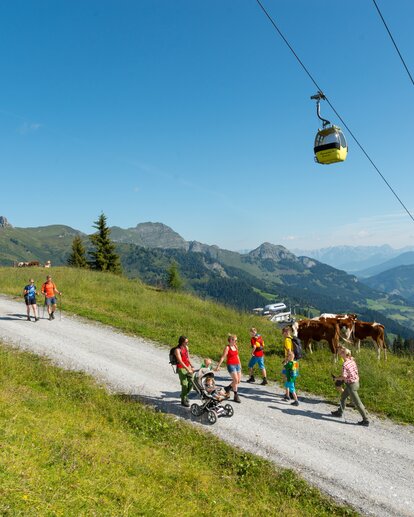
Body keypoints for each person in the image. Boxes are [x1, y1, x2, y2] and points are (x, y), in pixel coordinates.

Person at [331, 347, 369, 427]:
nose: (340, 353)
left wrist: (336, 378)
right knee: (343, 397)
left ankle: (366, 420)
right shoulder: (352, 360)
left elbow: (344, 377)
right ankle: (339, 412)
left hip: (351, 386)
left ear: (344, 354)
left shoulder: (345, 365)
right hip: (355, 383)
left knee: (358, 403)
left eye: (341, 352)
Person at [215, 334, 242, 403]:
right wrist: (218, 366)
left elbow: (237, 356)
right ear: (230, 340)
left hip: (237, 365)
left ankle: (228, 388)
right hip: (231, 365)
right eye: (235, 340)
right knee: (235, 380)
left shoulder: (235, 346)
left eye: (236, 340)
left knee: (238, 381)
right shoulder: (227, 348)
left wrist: (240, 364)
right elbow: (223, 357)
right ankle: (236, 395)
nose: (236, 342)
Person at [174, 335, 194, 407]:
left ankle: (183, 395)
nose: (187, 343)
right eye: (186, 342)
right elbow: (180, 361)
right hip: (181, 368)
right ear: (182, 342)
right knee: (185, 385)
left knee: (191, 383)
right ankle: (183, 400)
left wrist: (191, 366)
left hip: (188, 366)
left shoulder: (186, 347)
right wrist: (187, 369)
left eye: (187, 342)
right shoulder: (177, 350)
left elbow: (187, 358)